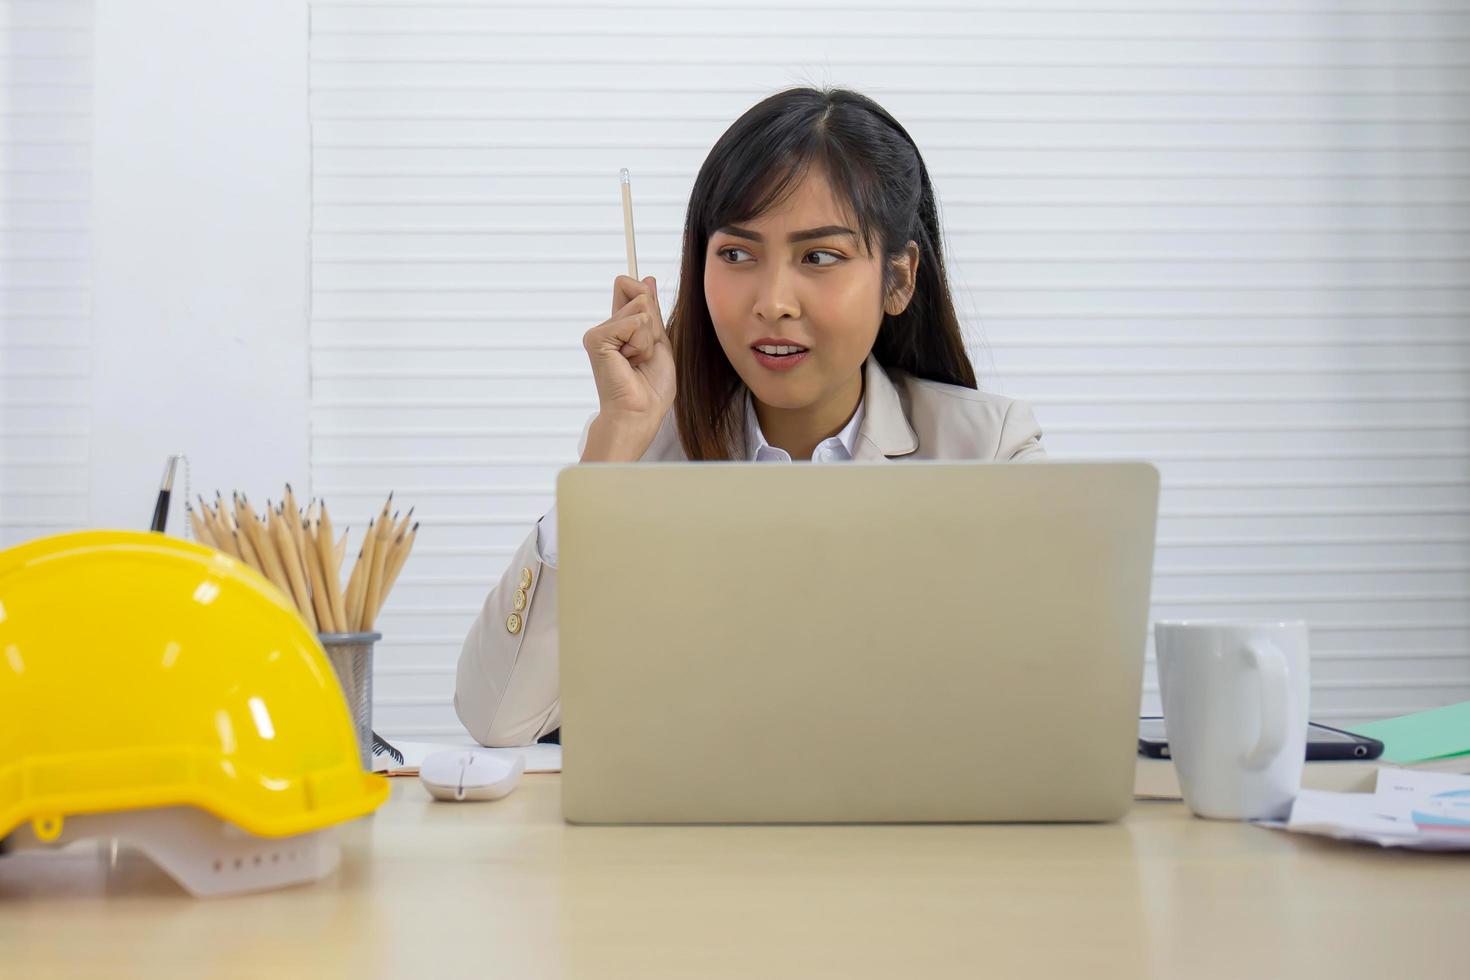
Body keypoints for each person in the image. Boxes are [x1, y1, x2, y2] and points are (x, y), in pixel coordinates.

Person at [454, 87, 1046, 747]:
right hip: (685, 846)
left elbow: (1035, 722)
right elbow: (496, 719)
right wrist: (608, 454)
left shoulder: (990, 453)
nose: (772, 302)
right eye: (737, 254)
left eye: (819, 256)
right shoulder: (636, 463)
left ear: (899, 278)